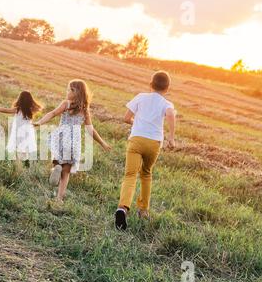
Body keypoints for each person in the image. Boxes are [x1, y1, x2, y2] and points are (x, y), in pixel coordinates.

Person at [115, 71, 176, 230]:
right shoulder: (166, 104)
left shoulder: (141, 97)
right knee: (146, 173)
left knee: (130, 175)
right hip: (154, 143)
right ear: (167, 88)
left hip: (136, 140)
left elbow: (126, 118)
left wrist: (136, 123)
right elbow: (170, 114)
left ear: (150, 84)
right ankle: (143, 210)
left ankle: (123, 207)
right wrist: (171, 137)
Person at [34, 79, 111, 205]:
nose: (66, 92)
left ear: (75, 92)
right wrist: (102, 142)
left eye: (68, 90)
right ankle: (59, 199)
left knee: (58, 160)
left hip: (61, 136)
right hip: (74, 141)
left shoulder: (66, 104)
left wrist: (40, 122)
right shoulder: (85, 110)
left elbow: (52, 113)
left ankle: (55, 168)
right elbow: (91, 130)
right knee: (67, 171)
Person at [0, 91, 43, 167]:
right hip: (27, 133)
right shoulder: (31, 110)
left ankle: (18, 164)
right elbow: (38, 109)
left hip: (18, 132)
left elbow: (4, 110)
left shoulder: (18, 109)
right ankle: (24, 163)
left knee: (18, 148)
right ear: (30, 100)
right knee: (24, 148)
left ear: (20, 99)